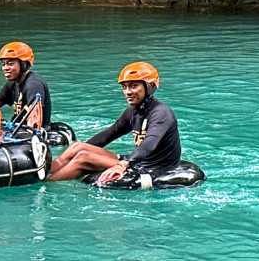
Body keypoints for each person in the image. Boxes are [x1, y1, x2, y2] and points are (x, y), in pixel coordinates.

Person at [47, 61, 181, 183]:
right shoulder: (132, 112)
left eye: (134, 86)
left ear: (149, 87)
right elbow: (108, 135)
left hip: (153, 166)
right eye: (125, 87)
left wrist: (123, 164)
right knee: (78, 147)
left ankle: (46, 184)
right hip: (138, 160)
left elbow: (148, 144)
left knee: (83, 157)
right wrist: (82, 149)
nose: (128, 92)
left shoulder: (160, 113)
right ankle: (43, 171)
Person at [0, 42, 51, 131]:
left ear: (24, 65)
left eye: (10, 64)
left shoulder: (33, 84)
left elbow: (34, 121)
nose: (5, 68)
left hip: (29, 133)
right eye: (3, 64)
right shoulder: (12, 84)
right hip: (16, 128)